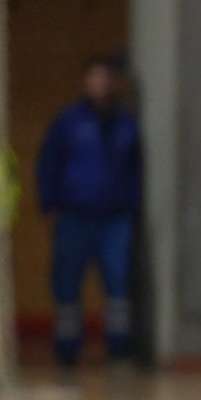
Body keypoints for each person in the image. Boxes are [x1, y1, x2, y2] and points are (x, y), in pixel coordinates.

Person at [37, 56, 143, 365]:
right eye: (94, 78)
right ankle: (67, 350)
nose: (100, 84)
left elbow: (136, 171)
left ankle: (119, 350)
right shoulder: (68, 121)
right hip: (74, 216)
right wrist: (50, 204)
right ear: (86, 82)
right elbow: (48, 163)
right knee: (67, 284)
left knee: (118, 285)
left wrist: (132, 210)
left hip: (115, 219)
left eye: (106, 78)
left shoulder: (125, 123)